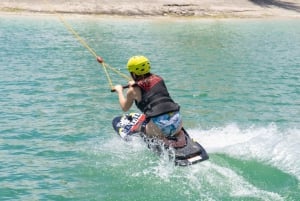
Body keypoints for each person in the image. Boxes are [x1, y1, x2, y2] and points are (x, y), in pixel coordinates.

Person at [99, 55, 186, 147]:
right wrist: (134, 84)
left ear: (133, 73)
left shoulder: (133, 90)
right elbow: (147, 84)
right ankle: (180, 137)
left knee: (140, 128)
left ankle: (164, 141)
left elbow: (124, 107)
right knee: (172, 123)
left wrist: (119, 91)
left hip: (158, 128)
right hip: (178, 122)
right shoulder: (159, 79)